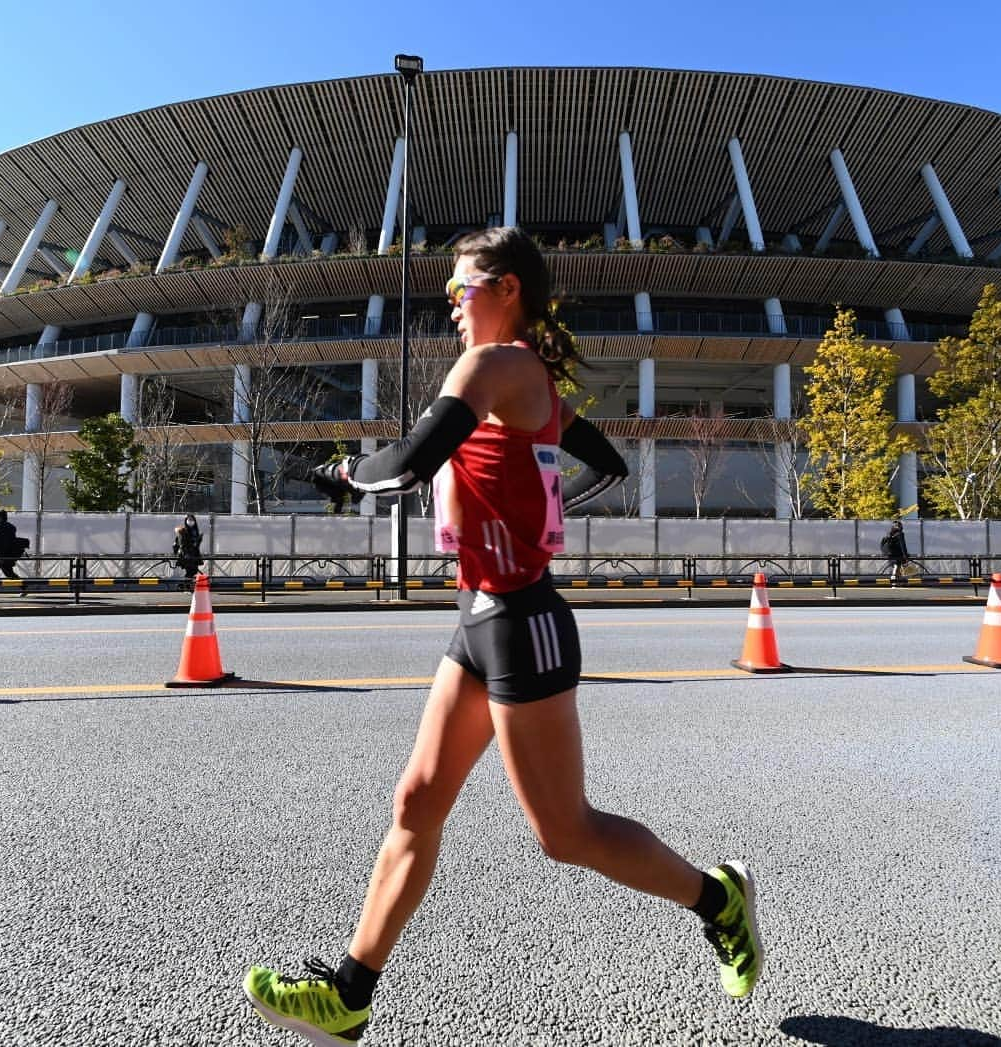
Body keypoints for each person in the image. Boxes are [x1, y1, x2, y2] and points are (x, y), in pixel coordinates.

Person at [243, 228, 763, 1043]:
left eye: (463, 289)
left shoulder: (494, 366)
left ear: (509, 288)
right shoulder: (525, 378)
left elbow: (409, 464)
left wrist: (345, 475)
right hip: (478, 615)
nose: (452, 302)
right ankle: (349, 994)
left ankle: (717, 898)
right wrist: (531, 517)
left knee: (566, 834)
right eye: (449, 291)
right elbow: (603, 467)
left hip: (524, 622)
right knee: (417, 799)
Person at [0, 509, 27, 580]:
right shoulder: (10, 527)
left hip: (1, 556)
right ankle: (23, 587)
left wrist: (0, 557)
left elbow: (2, 544)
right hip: (8, 554)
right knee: (8, 573)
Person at [172, 515, 204, 588]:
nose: (190, 521)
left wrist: (199, 539)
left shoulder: (195, 530)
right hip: (186, 554)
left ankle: (183, 585)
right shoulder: (183, 531)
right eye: (189, 519)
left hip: (193, 554)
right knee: (191, 570)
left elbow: (195, 545)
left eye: (192, 520)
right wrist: (184, 553)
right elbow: (181, 544)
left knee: (193, 571)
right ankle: (183, 585)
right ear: (186, 521)